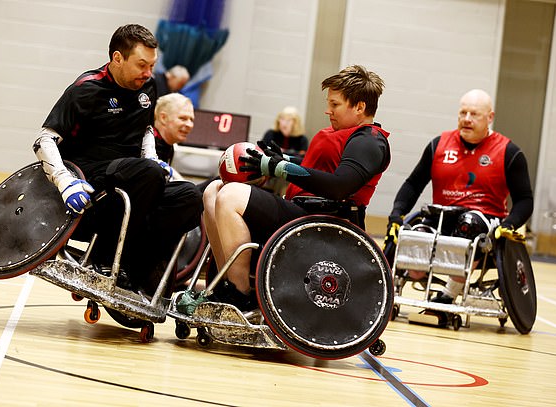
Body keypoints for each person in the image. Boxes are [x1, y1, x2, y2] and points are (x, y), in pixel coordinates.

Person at [202, 65, 391, 310]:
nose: (328, 111)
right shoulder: (348, 134)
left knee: (229, 196)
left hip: (324, 225)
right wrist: (283, 162)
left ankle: (240, 295)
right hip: (302, 214)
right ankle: (223, 284)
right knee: (213, 191)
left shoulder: (370, 141)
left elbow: (339, 187)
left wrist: (280, 168)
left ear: (359, 107)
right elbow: (323, 171)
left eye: (335, 104)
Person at [32, 24, 203, 294]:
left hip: (135, 181)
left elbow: (146, 128)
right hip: (91, 185)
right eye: (142, 65)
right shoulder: (85, 90)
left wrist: (151, 156)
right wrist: (65, 182)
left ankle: (134, 255)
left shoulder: (149, 86)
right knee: (148, 174)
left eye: (152, 65)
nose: (148, 73)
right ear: (117, 58)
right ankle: (106, 257)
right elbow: (44, 139)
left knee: (191, 197)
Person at [384, 88, 533, 304]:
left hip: (483, 220)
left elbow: (525, 200)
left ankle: (449, 294)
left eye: (474, 114)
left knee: (468, 224)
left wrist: (509, 224)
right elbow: (413, 184)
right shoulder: (438, 145)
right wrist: (397, 214)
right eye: (463, 113)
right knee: (415, 234)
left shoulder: (510, 153)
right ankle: (410, 279)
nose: (467, 119)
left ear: (490, 117)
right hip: (442, 216)